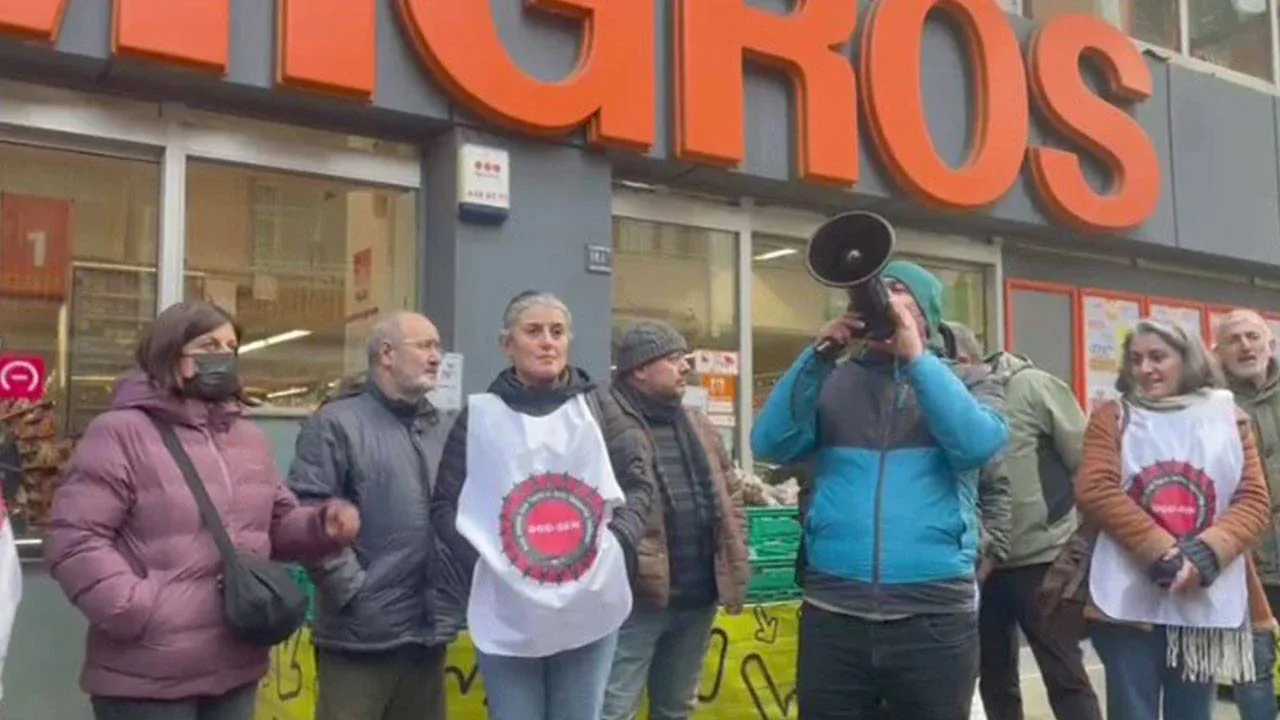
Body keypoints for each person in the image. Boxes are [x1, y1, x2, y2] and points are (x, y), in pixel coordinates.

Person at [44, 300, 360, 720]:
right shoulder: (121, 433)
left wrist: (322, 526)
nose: (223, 357)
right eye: (209, 345)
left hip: (235, 666)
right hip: (149, 677)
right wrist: (135, 608)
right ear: (169, 352)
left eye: (230, 347)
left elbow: (275, 522)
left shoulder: (246, 438)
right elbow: (74, 540)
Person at [752, 261, 1008, 720]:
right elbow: (769, 443)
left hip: (933, 616)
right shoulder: (831, 379)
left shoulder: (969, 381)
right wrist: (816, 356)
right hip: (834, 611)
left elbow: (977, 445)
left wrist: (917, 361)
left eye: (897, 289)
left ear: (925, 314)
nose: (882, 296)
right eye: (877, 287)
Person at [431, 290, 657, 720]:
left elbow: (638, 484)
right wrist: (486, 561)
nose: (547, 342)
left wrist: (617, 545)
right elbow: (446, 504)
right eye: (533, 331)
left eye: (557, 332)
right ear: (507, 343)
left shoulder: (600, 409)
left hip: (588, 601)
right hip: (509, 606)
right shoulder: (479, 417)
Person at [1077, 319, 1273, 720]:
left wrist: (1204, 554)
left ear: (1187, 360)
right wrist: (1161, 550)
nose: (1145, 368)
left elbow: (1254, 501)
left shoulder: (1228, 417)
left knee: (1192, 713)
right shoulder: (1113, 417)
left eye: (1157, 357)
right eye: (1136, 359)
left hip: (1201, 594)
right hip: (1127, 597)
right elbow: (1095, 488)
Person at [286, 311, 459, 720]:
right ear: (386, 354)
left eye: (438, 347)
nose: (436, 357)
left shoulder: (440, 428)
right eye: (424, 346)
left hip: (427, 633)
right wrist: (353, 592)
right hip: (358, 639)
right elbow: (307, 516)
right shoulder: (335, 424)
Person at [945, 320, 1103, 720]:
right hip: (978, 562)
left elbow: (1087, 462)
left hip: (1041, 557)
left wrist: (1078, 540)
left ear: (961, 358)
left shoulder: (1033, 387)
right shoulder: (939, 400)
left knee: (1064, 673)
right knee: (994, 677)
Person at [600, 321, 750, 720]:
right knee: (614, 709)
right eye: (672, 358)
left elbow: (731, 496)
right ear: (639, 369)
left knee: (676, 708)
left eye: (685, 357)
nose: (685, 366)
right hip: (636, 601)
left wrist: (734, 547)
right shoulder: (607, 426)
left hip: (698, 597)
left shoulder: (698, 425)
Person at [1211, 308, 1280, 720]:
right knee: (1251, 672)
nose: (1245, 346)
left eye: (1252, 336)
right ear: (1217, 352)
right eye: (1233, 340)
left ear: (1270, 343)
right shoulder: (1207, 405)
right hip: (1243, 564)